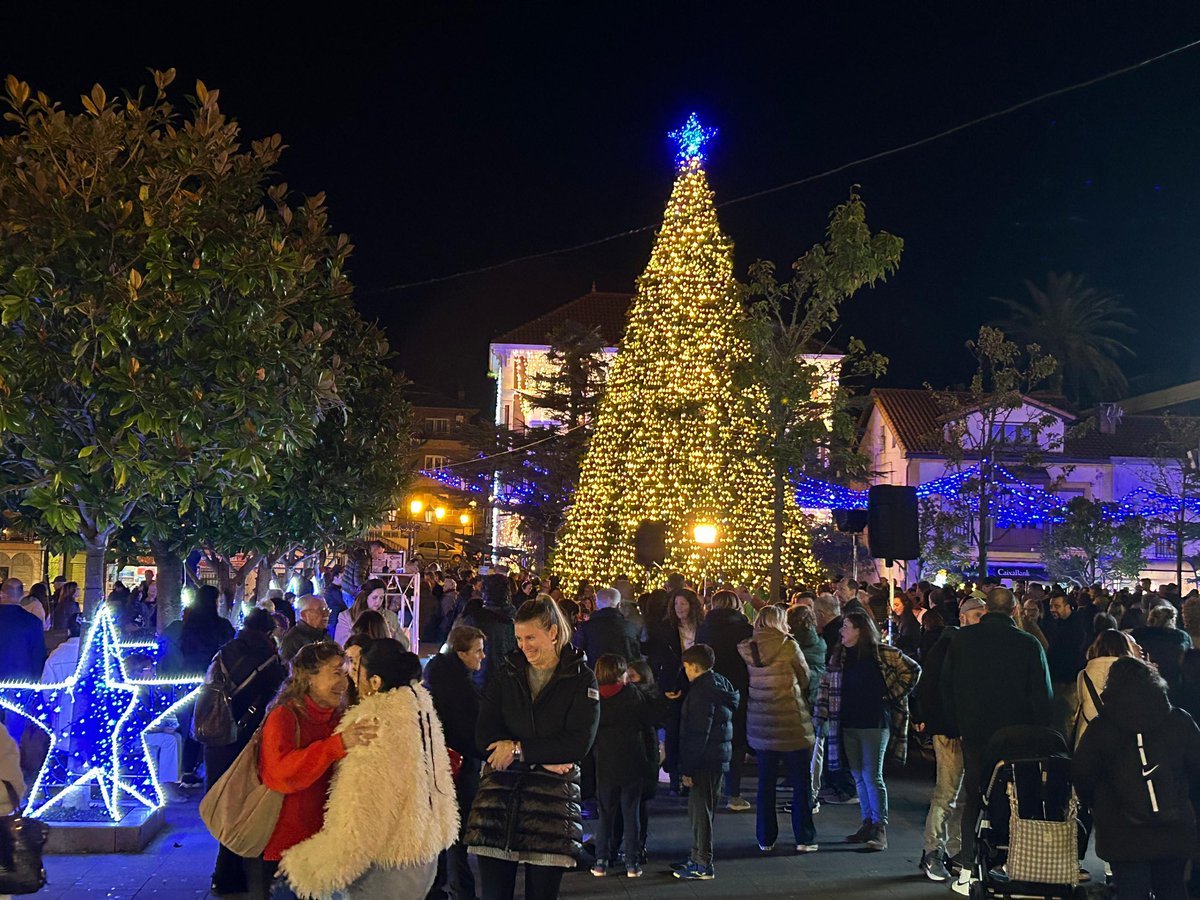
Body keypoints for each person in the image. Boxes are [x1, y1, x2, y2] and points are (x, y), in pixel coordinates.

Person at [279, 641, 458, 898]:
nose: (350, 680)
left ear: (374, 682)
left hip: (383, 872)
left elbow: (358, 825)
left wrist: (304, 867)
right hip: (423, 860)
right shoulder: (420, 710)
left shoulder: (368, 726)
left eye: (354, 672)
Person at [465, 598, 599, 900]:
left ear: (552, 633)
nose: (524, 646)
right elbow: (484, 735)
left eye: (530, 637)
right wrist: (540, 755)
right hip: (498, 804)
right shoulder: (507, 672)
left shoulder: (580, 678)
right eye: (519, 638)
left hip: (549, 808)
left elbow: (578, 743)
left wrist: (515, 750)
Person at [943, 587, 1052, 896]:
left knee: (975, 796)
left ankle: (967, 867)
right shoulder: (1028, 644)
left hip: (975, 732)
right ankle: (1012, 861)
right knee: (1017, 797)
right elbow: (1041, 696)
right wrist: (1040, 731)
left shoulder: (962, 641)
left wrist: (955, 725)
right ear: (1015, 610)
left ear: (987, 609)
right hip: (1017, 734)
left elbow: (946, 685)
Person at [257, 641, 378, 899]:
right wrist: (336, 745)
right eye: (336, 673)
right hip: (288, 849)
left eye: (346, 674)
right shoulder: (284, 716)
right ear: (309, 677)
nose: (344, 683)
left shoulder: (338, 715)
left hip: (327, 846)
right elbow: (279, 774)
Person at [1073, 656, 1200, 900]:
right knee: (1172, 887)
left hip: (1122, 831)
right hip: (1173, 827)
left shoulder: (1101, 728)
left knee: (1131, 890)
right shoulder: (1179, 720)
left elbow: (1082, 772)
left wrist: (1094, 805)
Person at [815, 609, 919, 853]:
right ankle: (867, 822)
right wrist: (822, 714)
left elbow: (912, 670)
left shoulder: (880, 653)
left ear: (860, 630)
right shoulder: (839, 656)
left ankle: (879, 826)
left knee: (872, 775)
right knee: (859, 775)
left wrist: (891, 695)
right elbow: (826, 685)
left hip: (874, 722)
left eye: (846, 626)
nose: (842, 631)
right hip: (849, 722)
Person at [203, 608, 287, 896]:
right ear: (268, 631)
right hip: (244, 738)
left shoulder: (225, 651)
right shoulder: (267, 656)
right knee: (241, 804)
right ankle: (231, 873)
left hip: (216, 737)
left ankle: (223, 873)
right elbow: (278, 694)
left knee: (223, 802)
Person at [912, 596, 984, 882]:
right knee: (948, 791)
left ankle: (951, 849)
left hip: (962, 728)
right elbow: (930, 685)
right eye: (977, 614)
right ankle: (933, 850)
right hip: (951, 729)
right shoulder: (950, 643)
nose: (982, 619)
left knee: (962, 793)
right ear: (964, 617)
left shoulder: (967, 644)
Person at [737, 606, 816, 854]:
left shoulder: (747, 649)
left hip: (761, 723)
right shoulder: (788, 646)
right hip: (792, 722)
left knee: (765, 783)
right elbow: (805, 677)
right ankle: (804, 836)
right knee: (801, 782)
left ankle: (765, 837)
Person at [424, 625, 486, 900]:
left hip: (441, 765)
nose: (482, 657)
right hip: (458, 767)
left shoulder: (439, 677)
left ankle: (438, 886)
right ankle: (461, 890)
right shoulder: (460, 689)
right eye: (478, 651)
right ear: (461, 653)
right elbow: (468, 732)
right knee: (457, 832)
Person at [672, 643, 739, 881]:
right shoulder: (718, 684)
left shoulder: (701, 693)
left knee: (701, 812)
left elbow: (698, 733)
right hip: (717, 756)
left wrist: (687, 768)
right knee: (703, 811)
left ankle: (702, 863)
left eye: (686, 667)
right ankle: (697, 856)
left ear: (694, 666)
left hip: (704, 760)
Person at [591, 653, 660, 878]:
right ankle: (632, 863)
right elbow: (649, 719)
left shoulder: (594, 697)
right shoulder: (632, 695)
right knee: (631, 814)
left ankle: (601, 861)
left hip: (605, 763)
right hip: (632, 761)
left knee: (605, 814)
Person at [696, 589, 753, 812]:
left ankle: (710, 790)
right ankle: (733, 792)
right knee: (736, 740)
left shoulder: (704, 629)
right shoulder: (744, 629)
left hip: (711, 685)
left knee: (713, 735)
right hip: (737, 686)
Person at [643, 588, 702, 795]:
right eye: (676, 604)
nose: (680, 609)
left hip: (697, 682)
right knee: (674, 731)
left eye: (683, 604)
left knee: (693, 731)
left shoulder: (701, 627)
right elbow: (658, 658)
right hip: (675, 683)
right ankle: (676, 777)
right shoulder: (665, 629)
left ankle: (690, 775)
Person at [0, 577, 47, 745]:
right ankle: (10, 763)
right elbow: (38, 656)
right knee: (15, 728)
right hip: (21, 682)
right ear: (21, 596)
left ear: (2, 593)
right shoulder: (32, 622)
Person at [455, 573, 517, 687]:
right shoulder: (516, 618)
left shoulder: (476, 619)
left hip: (480, 681)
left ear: (485, 593)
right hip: (507, 682)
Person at [574, 587, 640, 666]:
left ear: (597, 605)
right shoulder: (629, 627)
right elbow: (635, 655)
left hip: (594, 673)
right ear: (618, 605)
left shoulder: (586, 628)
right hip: (622, 674)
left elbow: (577, 653)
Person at [1133, 603, 1192, 688]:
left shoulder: (1138, 634)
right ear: (1172, 620)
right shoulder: (1181, 637)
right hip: (1173, 681)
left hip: (1143, 679)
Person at [333, 580, 401, 647]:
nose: (378, 602)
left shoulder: (390, 616)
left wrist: (393, 634)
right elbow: (340, 643)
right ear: (365, 597)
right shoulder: (347, 616)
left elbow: (404, 644)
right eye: (374, 597)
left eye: (381, 598)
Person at [279, 594, 333, 662]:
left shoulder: (325, 635)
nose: (326, 614)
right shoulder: (292, 641)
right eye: (321, 610)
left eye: (327, 610)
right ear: (304, 615)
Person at [889, 592, 920, 658]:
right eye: (893, 606)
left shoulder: (908, 621)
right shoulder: (903, 619)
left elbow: (906, 641)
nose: (894, 608)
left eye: (897, 605)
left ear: (905, 604)